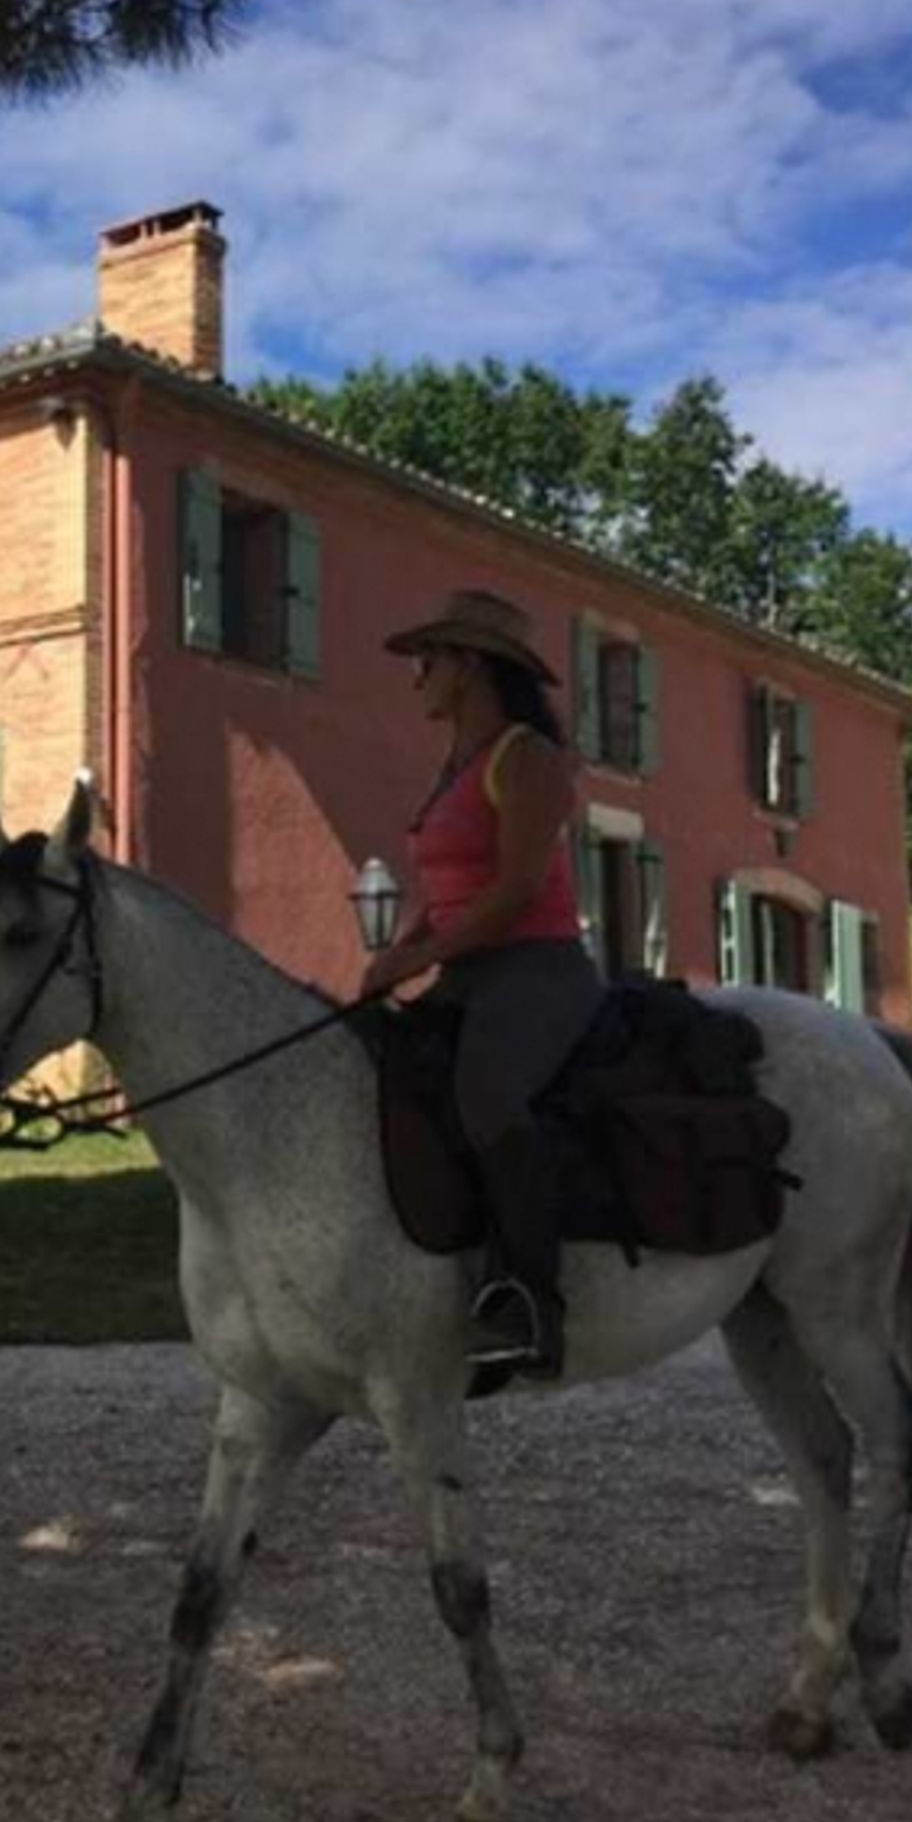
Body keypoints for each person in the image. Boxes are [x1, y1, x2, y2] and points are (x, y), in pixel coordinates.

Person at [362, 589, 602, 1378]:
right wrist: (394, 955)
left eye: (429, 660)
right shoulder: (455, 768)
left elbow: (516, 890)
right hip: (470, 969)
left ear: (469, 665)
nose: (418, 675)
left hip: (538, 969)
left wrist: (413, 962)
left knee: (488, 1095)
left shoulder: (525, 757)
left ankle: (533, 1305)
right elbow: (444, 895)